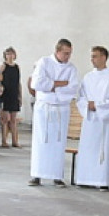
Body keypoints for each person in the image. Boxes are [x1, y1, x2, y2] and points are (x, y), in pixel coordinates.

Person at [29, 38, 79, 186]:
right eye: (65, 53)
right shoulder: (44, 62)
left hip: (61, 109)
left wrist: (51, 86)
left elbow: (72, 88)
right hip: (44, 108)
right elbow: (36, 83)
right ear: (57, 51)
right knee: (40, 141)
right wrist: (60, 84)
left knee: (58, 142)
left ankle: (57, 175)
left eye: (69, 54)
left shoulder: (72, 68)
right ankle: (37, 174)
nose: (67, 57)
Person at [74, 45, 109, 190]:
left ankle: (102, 180)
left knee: (103, 149)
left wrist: (98, 106)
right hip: (90, 120)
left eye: (95, 56)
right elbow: (80, 97)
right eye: (91, 56)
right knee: (88, 148)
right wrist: (87, 105)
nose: (92, 59)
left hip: (104, 120)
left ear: (104, 57)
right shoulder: (88, 77)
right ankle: (85, 178)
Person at [0, 46, 22, 147]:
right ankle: (4, 141)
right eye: (8, 54)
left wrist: (20, 95)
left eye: (12, 54)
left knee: (13, 119)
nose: (10, 56)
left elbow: (18, 82)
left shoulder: (17, 67)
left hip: (14, 94)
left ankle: (14, 141)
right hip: (5, 93)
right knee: (5, 119)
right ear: (5, 56)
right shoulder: (3, 66)